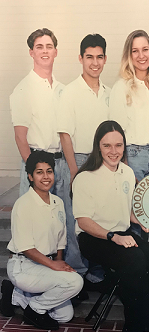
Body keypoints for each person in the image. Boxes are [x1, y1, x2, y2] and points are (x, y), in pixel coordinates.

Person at [72, 120, 149, 332]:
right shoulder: (85, 177)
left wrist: (143, 222)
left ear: (124, 146)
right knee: (134, 259)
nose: (113, 151)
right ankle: (132, 330)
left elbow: (127, 211)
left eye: (118, 145)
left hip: (121, 234)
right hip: (94, 238)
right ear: (98, 146)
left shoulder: (127, 172)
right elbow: (83, 221)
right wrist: (112, 237)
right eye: (107, 146)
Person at [10, 28, 75, 284]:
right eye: (40, 46)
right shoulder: (24, 89)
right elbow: (19, 136)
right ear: (31, 52)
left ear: (56, 52)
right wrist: (34, 173)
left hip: (60, 162)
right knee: (35, 223)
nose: (45, 51)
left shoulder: (61, 89)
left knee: (63, 221)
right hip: (38, 163)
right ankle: (27, 281)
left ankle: (66, 274)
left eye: (49, 46)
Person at [6, 150, 83, 330]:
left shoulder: (57, 202)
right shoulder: (23, 205)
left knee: (64, 316)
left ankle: (17, 296)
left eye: (49, 171)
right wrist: (54, 267)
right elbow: (26, 248)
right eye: (39, 172)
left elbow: (61, 239)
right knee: (75, 282)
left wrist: (58, 261)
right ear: (30, 176)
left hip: (44, 264)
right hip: (23, 266)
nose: (46, 177)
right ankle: (34, 309)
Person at [57, 33, 110, 283]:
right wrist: (74, 170)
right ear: (80, 59)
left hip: (102, 161)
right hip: (77, 160)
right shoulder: (69, 92)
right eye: (89, 57)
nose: (95, 62)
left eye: (99, 57)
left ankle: (98, 269)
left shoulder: (109, 93)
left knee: (98, 215)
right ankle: (77, 272)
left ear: (105, 59)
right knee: (75, 217)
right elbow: (65, 134)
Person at [109, 30, 149, 241]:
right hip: (133, 156)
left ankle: (142, 265)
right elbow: (115, 134)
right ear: (128, 56)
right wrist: (125, 167)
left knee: (148, 216)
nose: (141, 55)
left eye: (145, 49)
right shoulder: (121, 87)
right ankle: (131, 269)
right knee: (132, 218)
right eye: (135, 51)